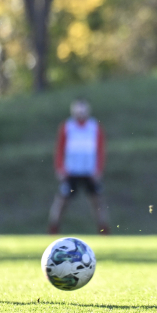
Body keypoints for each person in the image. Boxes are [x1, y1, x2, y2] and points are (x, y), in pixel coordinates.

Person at [48, 98, 110, 235]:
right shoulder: (67, 126)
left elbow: (101, 149)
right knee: (62, 201)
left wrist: (99, 169)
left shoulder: (94, 127)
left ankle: (103, 231)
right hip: (71, 171)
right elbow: (59, 149)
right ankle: (53, 229)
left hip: (90, 171)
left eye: (83, 110)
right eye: (78, 110)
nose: (80, 113)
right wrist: (60, 168)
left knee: (97, 202)